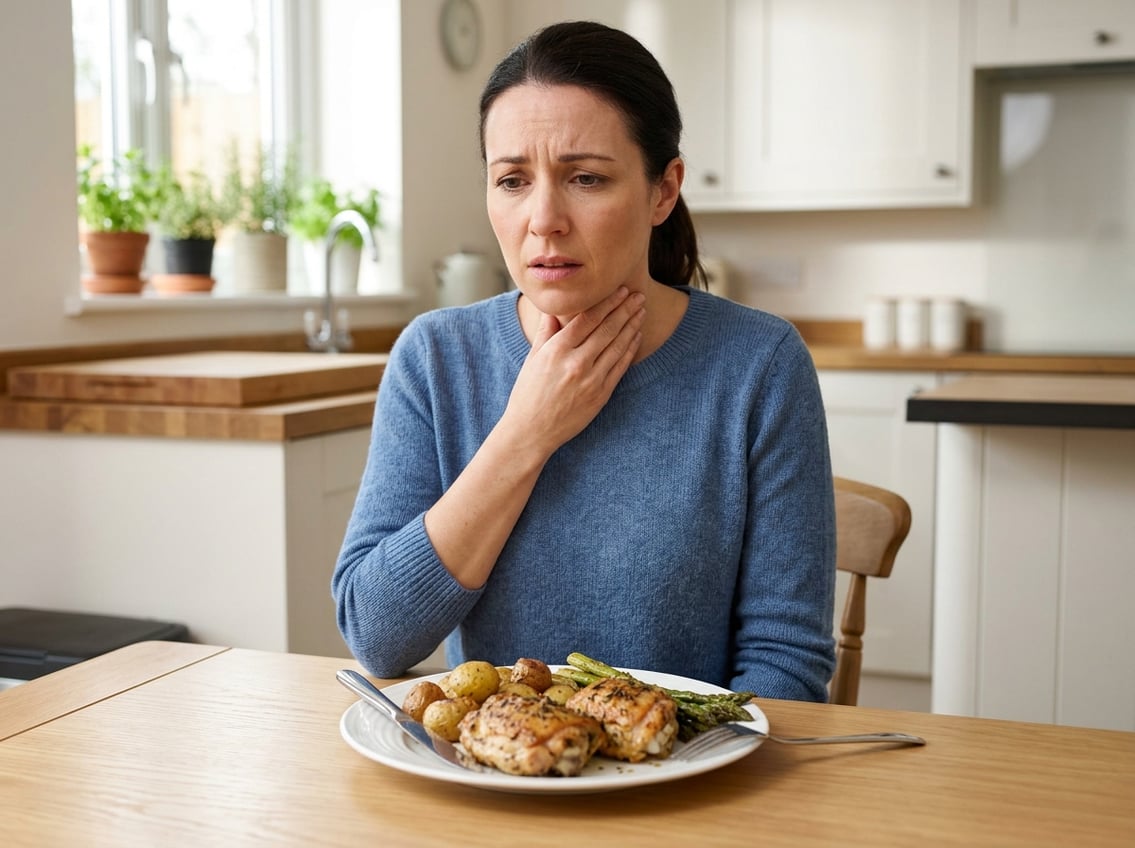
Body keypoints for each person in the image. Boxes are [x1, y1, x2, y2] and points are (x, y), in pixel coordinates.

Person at [332, 21, 836, 702]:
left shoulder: (759, 365)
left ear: (663, 191)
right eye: (511, 180)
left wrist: (677, 768)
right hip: (494, 775)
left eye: (586, 178)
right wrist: (526, 432)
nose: (543, 218)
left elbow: (786, 666)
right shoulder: (434, 358)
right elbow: (377, 637)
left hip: (688, 780)